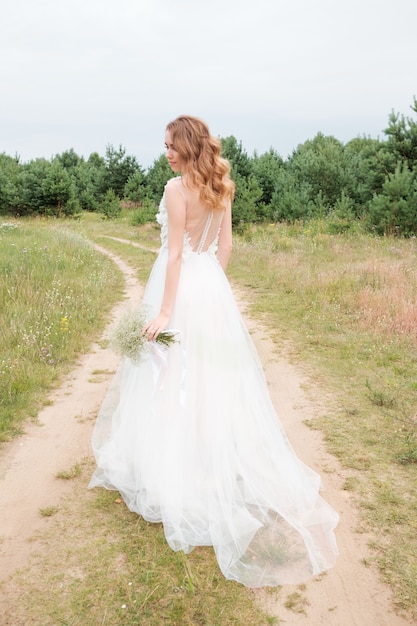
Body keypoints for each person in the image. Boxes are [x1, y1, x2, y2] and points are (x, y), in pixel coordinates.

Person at [89, 115, 338, 587]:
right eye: (164, 146)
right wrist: (213, 287)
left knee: (174, 373)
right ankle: (207, 459)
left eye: (171, 146)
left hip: (179, 287)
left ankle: (180, 465)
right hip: (210, 287)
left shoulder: (175, 189)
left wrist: (165, 310)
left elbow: (177, 254)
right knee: (207, 375)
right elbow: (224, 248)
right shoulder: (222, 185)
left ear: (187, 146)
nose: (166, 153)